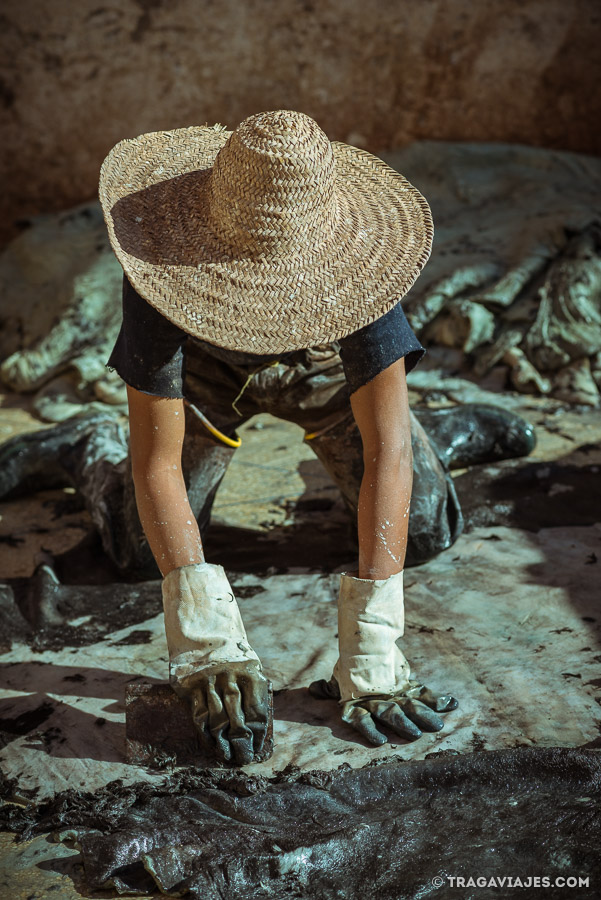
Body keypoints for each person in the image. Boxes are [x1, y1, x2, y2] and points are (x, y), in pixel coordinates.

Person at [5, 109, 534, 766]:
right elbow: (158, 466)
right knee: (141, 550)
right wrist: (206, 643)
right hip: (205, 378)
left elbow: (386, 454)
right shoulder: (162, 262)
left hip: (324, 379)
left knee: (423, 527)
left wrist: (372, 642)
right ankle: (87, 444)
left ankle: (442, 437)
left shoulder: (359, 265)